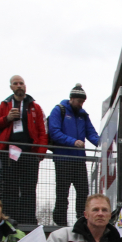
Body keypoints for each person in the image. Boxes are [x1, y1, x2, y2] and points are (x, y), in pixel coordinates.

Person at [0, 75, 47, 224]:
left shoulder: (35, 107)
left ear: (25, 86)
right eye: (16, 83)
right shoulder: (5, 104)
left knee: (29, 188)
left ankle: (28, 220)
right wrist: (7, 118)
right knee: (10, 186)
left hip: (29, 152)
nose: (19, 86)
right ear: (11, 87)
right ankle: (10, 219)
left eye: (21, 83)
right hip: (10, 152)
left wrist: (40, 153)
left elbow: (42, 131)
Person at [48, 84, 100, 227]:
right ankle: (60, 222)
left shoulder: (83, 115)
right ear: (72, 99)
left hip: (79, 159)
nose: (81, 104)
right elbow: (54, 131)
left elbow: (92, 134)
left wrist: (104, 144)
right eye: (79, 101)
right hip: (63, 158)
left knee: (83, 190)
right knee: (62, 192)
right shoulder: (59, 110)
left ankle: (81, 220)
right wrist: (72, 142)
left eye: (83, 102)